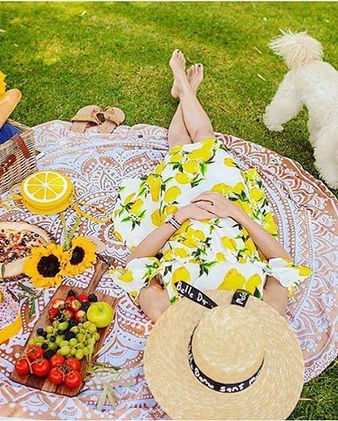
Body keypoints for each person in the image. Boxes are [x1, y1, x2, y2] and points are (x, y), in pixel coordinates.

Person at [110, 50, 311, 322]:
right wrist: (236, 213)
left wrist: (181, 216)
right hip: (233, 212)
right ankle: (184, 87)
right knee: (205, 139)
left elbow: (136, 263)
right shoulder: (265, 314)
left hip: (182, 217)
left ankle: (184, 86)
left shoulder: (167, 313)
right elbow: (282, 262)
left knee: (180, 147)